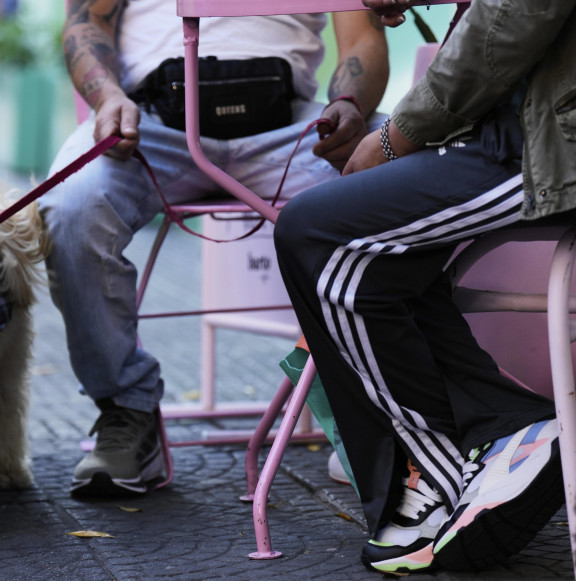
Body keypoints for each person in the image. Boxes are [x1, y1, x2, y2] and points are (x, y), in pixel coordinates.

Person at [40, 0, 389, 498]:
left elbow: (362, 38)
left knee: (402, 174)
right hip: (150, 126)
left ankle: (371, 410)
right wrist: (107, 97)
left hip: (294, 130)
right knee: (71, 208)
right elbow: (84, 21)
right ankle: (126, 412)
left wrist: (351, 104)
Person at [274, 0, 575, 574]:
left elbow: (514, 14)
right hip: (520, 125)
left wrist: (399, 135)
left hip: (546, 142)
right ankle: (503, 428)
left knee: (320, 236)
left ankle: (437, 470)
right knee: (354, 248)